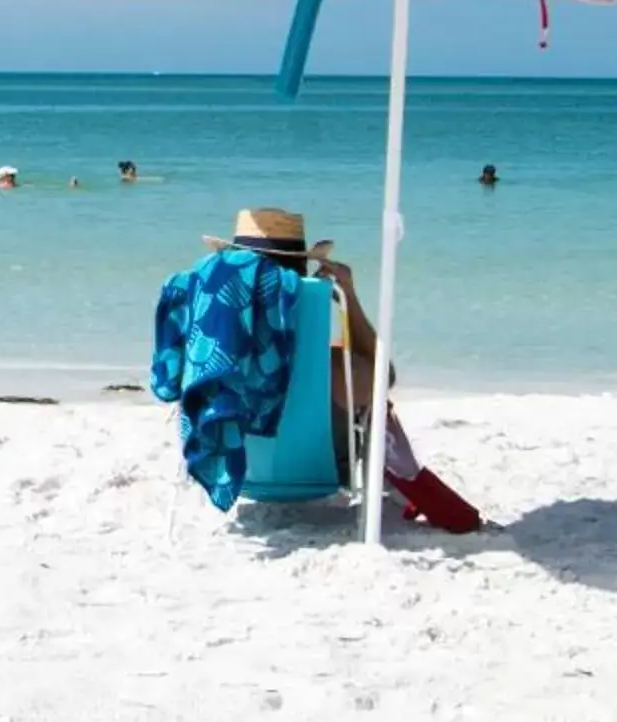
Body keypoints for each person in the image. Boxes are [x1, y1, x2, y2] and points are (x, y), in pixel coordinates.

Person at [199, 207, 484, 533]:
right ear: (303, 272)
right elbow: (384, 378)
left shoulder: (209, 360)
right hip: (315, 473)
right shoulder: (331, 368)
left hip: (239, 472)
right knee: (375, 402)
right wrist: (347, 295)